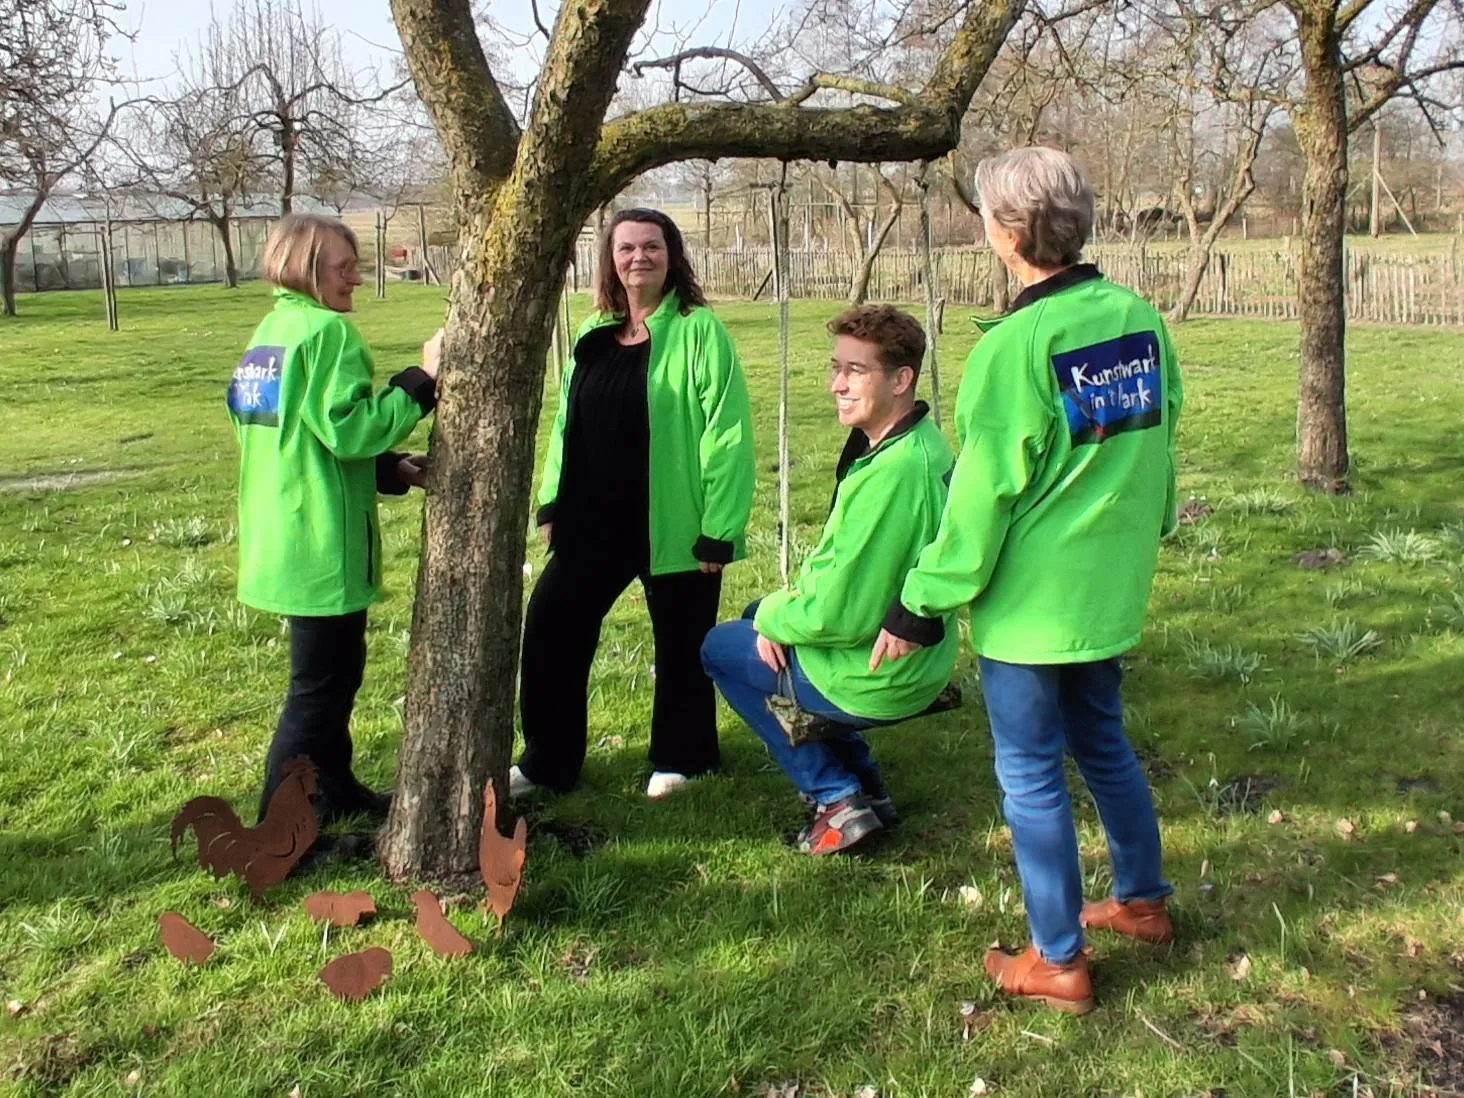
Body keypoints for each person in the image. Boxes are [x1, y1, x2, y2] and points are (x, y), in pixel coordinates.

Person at [872, 147, 1184, 1014]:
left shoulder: (1015, 346)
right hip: (1107, 593)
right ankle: (1142, 900)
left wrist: (921, 603)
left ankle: (1058, 959)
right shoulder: (1137, 317)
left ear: (1006, 232)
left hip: (1032, 609)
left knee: (1033, 775)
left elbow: (981, 498)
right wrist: (1147, 529)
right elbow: (1161, 437)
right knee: (1106, 744)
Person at [512, 208, 755, 800]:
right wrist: (551, 501)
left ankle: (684, 757)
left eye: (652, 246)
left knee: (681, 641)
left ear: (672, 257)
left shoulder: (699, 330)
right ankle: (549, 761)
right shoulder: (594, 331)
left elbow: (727, 433)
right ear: (610, 259)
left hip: (675, 523)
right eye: (626, 248)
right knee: (550, 630)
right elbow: (565, 423)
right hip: (593, 520)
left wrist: (718, 531)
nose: (638, 257)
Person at [701, 305, 960, 854]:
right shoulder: (920, 442)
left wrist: (778, 615)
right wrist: (771, 612)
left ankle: (837, 798)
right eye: (836, 367)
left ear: (901, 379)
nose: (837, 384)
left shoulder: (892, 477)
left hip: (878, 671)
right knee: (755, 620)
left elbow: (838, 616)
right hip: (912, 652)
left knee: (721, 646)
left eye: (855, 371)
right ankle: (868, 788)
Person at [227, 212, 441, 826]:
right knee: (318, 690)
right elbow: (350, 430)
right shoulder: (327, 335)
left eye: (355, 263)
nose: (356, 276)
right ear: (306, 267)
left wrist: (389, 468)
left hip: (281, 530)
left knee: (336, 675)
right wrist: (422, 380)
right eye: (343, 266)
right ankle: (283, 830)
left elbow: (299, 434)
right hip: (320, 538)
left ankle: (335, 786)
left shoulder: (271, 333)